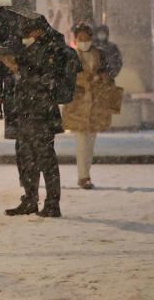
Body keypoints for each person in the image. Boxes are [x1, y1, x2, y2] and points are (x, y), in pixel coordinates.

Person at [0, 14, 77, 218]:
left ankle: (52, 203)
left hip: (42, 113)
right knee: (27, 159)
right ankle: (30, 199)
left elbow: (47, 80)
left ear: (38, 31)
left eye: (27, 32)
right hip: (26, 111)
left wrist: (19, 69)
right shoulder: (31, 49)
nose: (24, 36)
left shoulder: (52, 50)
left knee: (45, 158)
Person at [62, 23, 116, 190]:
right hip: (77, 103)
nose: (83, 42)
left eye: (86, 38)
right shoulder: (70, 56)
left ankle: (85, 174)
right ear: (75, 39)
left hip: (95, 103)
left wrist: (106, 78)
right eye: (80, 39)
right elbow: (63, 77)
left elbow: (110, 75)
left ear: (92, 39)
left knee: (90, 141)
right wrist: (73, 86)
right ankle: (83, 177)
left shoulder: (100, 54)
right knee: (81, 140)